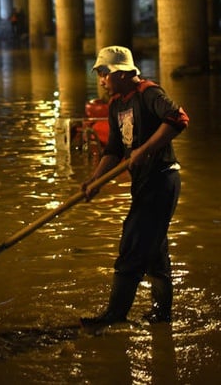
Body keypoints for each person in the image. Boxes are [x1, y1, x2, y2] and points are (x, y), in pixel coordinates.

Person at [79, 46, 189, 328]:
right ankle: (162, 318)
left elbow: (179, 119)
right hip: (143, 183)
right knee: (154, 251)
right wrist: (96, 180)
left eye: (104, 73)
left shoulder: (148, 93)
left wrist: (145, 149)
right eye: (100, 75)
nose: (101, 80)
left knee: (133, 242)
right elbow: (114, 149)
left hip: (162, 178)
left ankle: (114, 316)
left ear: (123, 73)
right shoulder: (117, 104)